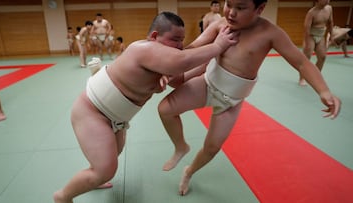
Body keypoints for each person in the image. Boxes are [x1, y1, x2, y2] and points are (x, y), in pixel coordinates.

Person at [158, 0, 341, 196]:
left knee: (211, 148)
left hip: (231, 103)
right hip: (207, 84)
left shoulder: (270, 33)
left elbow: (302, 63)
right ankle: (181, 146)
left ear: (259, 9)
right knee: (165, 109)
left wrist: (324, 91)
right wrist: (168, 65)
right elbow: (193, 46)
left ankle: (189, 171)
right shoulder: (221, 24)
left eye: (241, 8)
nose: (231, 13)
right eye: (229, 4)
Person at [53, 11, 238, 203]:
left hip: (117, 118)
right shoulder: (142, 49)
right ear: (155, 37)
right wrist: (218, 46)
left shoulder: (160, 61)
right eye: (175, 39)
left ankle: (95, 175)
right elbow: (181, 61)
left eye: (182, 40)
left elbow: (179, 78)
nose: (180, 45)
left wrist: (206, 66)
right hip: (92, 112)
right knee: (105, 169)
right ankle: (63, 196)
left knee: (113, 154)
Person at [299, 0, 334, 86]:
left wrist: (331, 35)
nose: (327, 0)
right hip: (311, 36)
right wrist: (307, 42)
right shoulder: (311, 12)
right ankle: (302, 78)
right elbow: (306, 28)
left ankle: (315, 77)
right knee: (306, 58)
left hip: (321, 36)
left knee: (322, 57)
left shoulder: (329, 8)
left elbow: (330, 22)